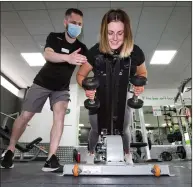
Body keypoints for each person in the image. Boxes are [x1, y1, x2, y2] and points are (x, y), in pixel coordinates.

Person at [1, 8, 88, 171]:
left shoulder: (82, 47)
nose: (76, 26)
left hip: (61, 88)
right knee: (26, 116)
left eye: (80, 24)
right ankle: (10, 149)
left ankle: (51, 158)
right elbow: (48, 55)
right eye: (73, 23)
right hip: (42, 83)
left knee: (60, 116)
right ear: (66, 22)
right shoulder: (54, 38)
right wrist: (68, 58)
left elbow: (91, 66)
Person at [76, 9, 147, 165]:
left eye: (120, 33)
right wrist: (87, 89)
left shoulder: (135, 52)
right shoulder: (94, 52)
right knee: (95, 129)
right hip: (99, 97)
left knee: (124, 129)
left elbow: (142, 73)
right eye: (110, 33)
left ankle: (127, 154)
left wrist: (140, 86)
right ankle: (91, 152)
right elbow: (80, 76)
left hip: (123, 95)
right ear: (103, 32)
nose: (115, 38)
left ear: (126, 32)